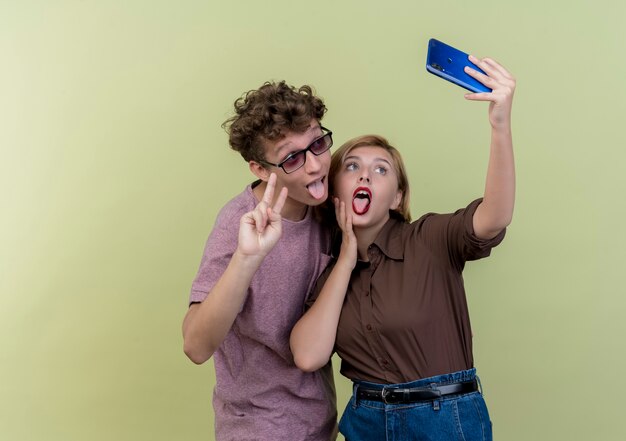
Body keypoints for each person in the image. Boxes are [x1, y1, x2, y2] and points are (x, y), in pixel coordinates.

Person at [290, 56, 515, 440]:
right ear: (333, 191)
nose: (365, 173)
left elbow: (494, 217)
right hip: (366, 421)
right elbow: (308, 356)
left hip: (445, 421)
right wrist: (346, 259)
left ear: (397, 197)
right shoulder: (328, 274)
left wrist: (499, 125)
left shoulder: (428, 238)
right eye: (352, 166)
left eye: (381, 170)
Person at [183, 81, 337, 440]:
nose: (314, 166)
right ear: (261, 170)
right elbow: (195, 346)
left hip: (319, 424)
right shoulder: (237, 222)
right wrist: (247, 258)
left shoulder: (328, 209)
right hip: (254, 427)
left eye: (317, 143)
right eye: (292, 157)